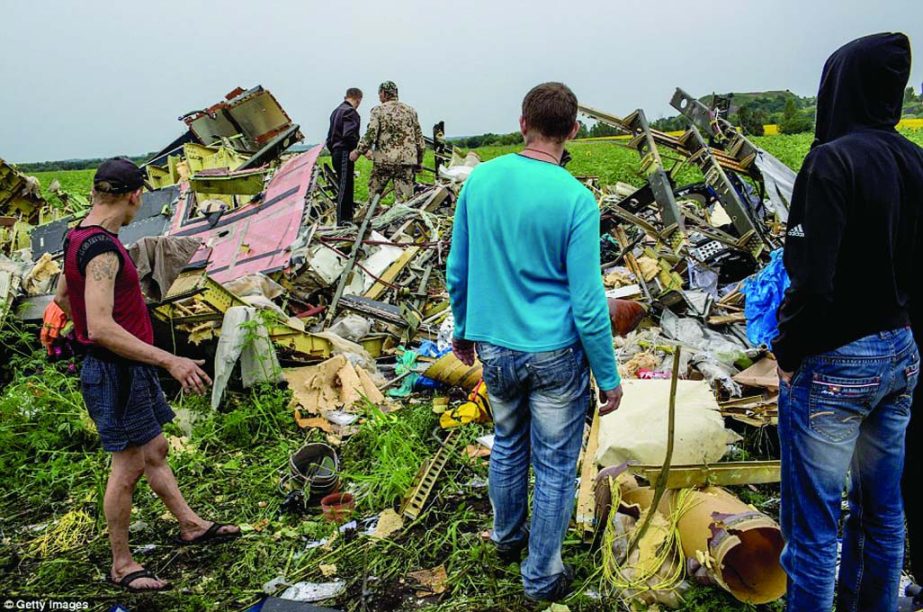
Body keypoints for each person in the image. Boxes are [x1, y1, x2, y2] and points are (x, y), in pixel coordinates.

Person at [446, 82, 622, 602]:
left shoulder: (480, 182)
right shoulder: (576, 199)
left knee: (506, 444)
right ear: (573, 131)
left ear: (522, 123)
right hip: (555, 356)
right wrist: (608, 377)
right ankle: (542, 574)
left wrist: (462, 329)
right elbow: (589, 303)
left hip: (496, 347)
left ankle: (506, 538)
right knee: (554, 465)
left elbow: (458, 270)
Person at [773, 33, 923, 612]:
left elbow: (812, 280)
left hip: (838, 361)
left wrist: (788, 348)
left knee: (813, 526)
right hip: (900, 352)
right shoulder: (914, 160)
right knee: (883, 512)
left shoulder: (831, 160)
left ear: (840, 86)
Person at [54, 158, 241, 593]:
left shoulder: (76, 234)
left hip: (122, 366)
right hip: (119, 371)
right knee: (129, 465)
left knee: (154, 446)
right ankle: (122, 563)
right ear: (136, 194)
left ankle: (191, 524)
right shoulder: (100, 249)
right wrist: (168, 359)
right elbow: (100, 326)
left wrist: (86, 334)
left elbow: (64, 296)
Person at [350, 81, 424, 203]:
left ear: (383, 93)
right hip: (405, 162)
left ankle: (371, 219)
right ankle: (403, 221)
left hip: (384, 161)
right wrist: (419, 161)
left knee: (374, 198)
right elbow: (419, 140)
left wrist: (358, 152)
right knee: (405, 202)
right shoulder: (411, 111)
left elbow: (371, 134)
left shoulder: (378, 110)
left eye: (379, 94)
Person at [326, 87, 362, 225]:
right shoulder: (350, 112)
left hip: (335, 151)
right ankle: (343, 220)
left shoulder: (335, 112)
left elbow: (329, 138)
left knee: (343, 184)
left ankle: (345, 218)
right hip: (345, 151)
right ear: (358, 99)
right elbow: (349, 135)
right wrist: (359, 150)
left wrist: (333, 150)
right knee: (345, 187)